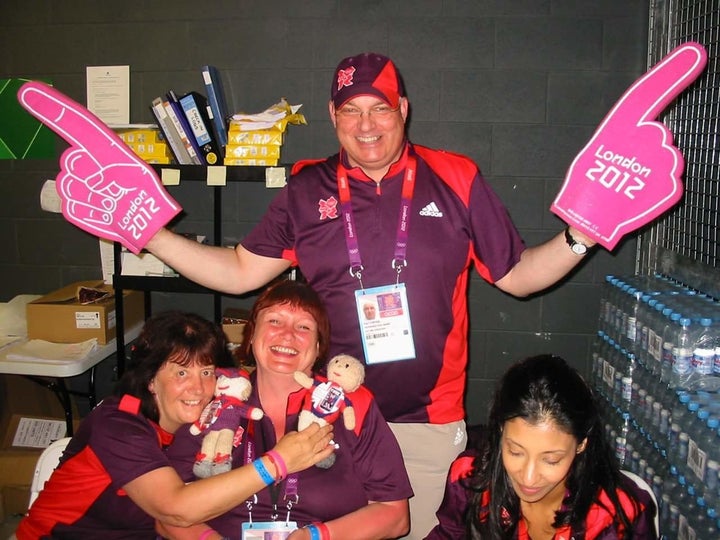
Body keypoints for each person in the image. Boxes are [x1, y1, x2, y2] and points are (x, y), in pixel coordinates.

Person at [138, 52, 600, 538]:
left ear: (403, 108)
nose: (366, 125)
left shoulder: (455, 177)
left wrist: (582, 236)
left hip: (422, 423)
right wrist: (152, 236)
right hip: (324, 417)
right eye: (350, 110)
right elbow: (239, 271)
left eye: (379, 108)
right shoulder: (307, 186)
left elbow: (517, 276)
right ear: (333, 116)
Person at [15, 310, 334, 540]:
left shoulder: (202, 422)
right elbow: (175, 508)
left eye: (206, 372)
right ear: (151, 380)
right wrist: (279, 462)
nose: (197, 388)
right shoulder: (117, 425)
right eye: (181, 373)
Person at [160, 279, 412, 540]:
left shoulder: (353, 404)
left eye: (304, 326)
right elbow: (167, 513)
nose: (288, 334)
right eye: (274, 321)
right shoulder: (216, 397)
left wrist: (317, 536)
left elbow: (394, 515)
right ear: (252, 334)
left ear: (318, 347)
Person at [425, 354, 657, 539]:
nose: (528, 477)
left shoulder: (617, 513)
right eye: (515, 452)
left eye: (551, 459)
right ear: (500, 433)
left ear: (581, 444)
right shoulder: (471, 479)